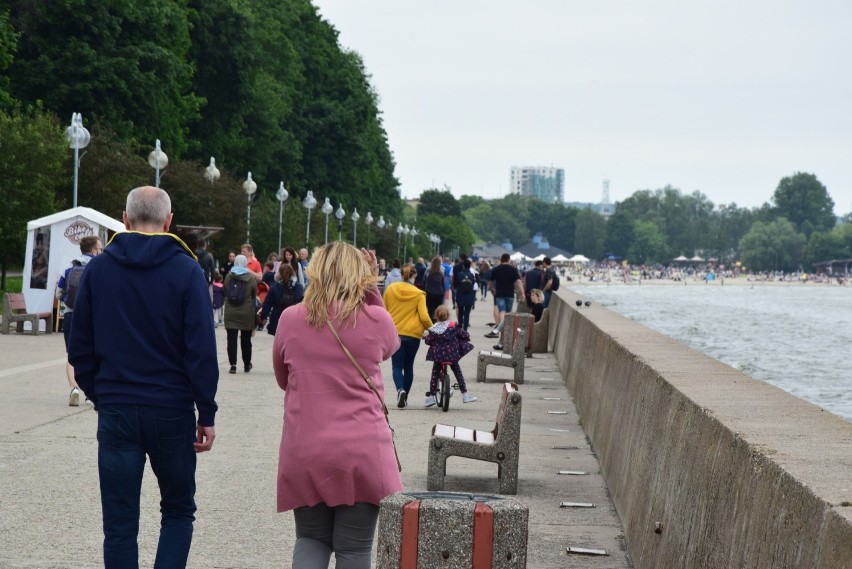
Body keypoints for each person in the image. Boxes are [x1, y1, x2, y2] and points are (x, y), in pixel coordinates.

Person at [68, 186, 218, 568]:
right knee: (179, 511)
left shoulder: (98, 269)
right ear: (169, 221)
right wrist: (207, 412)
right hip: (171, 407)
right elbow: (201, 349)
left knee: (119, 523)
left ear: (125, 218)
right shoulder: (187, 270)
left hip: (117, 405)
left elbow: (79, 345)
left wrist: (100, 392)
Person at [272, 242, 401, 568]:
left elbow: (283, 379)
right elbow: (390, 346)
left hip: (307, 449)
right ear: (359, 276)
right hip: (362, 451)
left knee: (311, 539)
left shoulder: (291, 319)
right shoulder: (376, 319)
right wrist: (371, 289)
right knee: (354, 550)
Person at [56, 235, 102, 406]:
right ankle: (91, 393)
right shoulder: (99, 267)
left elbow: (59, 293)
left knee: (72, 354)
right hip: (92, 317)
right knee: (95, 353)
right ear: (93, 250)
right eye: (100, 249)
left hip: (70, 315)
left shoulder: (69, 267)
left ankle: (74, 388)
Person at [383, 263, 432, 408]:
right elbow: (424, 316)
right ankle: (405, 397)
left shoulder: (391, 289)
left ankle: (400, 390)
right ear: (414, 275)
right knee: (408, 366)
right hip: (413, 334)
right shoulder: (419, 294)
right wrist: (432, 328)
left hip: (395, 332)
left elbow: (384, 310)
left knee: (396, 366)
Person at [423, 305, 477, 406]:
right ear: (448, 315)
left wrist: (425, 338)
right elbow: (465, 335)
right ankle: (465, 395)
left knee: (435, 374)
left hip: (438, 357)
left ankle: (431, 396)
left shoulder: (434, 329)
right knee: (458, 372)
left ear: (436, 316)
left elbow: (429, 341)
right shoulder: (454, 326)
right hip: (452, 356)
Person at [224, 254, 258, 374]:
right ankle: (247, 364)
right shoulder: (250, 278)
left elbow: (225, 291)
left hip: (230, 312)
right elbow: (254, 293)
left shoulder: (229, 276)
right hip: (246, 312)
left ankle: (233, 365)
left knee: (231, 339)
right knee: (246, 339)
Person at [484, 253, 524, 339]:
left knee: (502, 312)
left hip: (499, 294)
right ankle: (503, 335)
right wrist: (522, 293)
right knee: (508, 314)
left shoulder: (496, 269)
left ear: (501, 259)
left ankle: (497, 331)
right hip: (510, 295)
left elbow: (491, 281)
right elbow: (519, 282)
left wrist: (492, 289)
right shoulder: (513, 270)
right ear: (508, 259)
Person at [259, 263, 304, 336]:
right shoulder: (299, 287)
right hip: (294, 319)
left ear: (279, 273)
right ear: (292, 273)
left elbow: (268, 303)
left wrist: (264, 316)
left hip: (277, 318)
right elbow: (302, 304)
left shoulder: (275, 287)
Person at [453, 259, 477, 331]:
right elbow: (473, 284)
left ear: (463, 266)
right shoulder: (472, 275)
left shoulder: (459, 274)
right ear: (470, 266)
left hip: (460, 295)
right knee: (467, 313)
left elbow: (455, 284)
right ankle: (465, 329)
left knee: (460, 312)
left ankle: (460, 327)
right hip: (469, 295)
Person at [423, 256, 445, 322]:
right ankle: (437, 323)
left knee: (430, 310)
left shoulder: (428, 271)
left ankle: (431, 324)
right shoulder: (441, 272)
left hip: (429, 293)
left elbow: (423, 281)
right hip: (439, 294)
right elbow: (443, 283)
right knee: (437, 310)